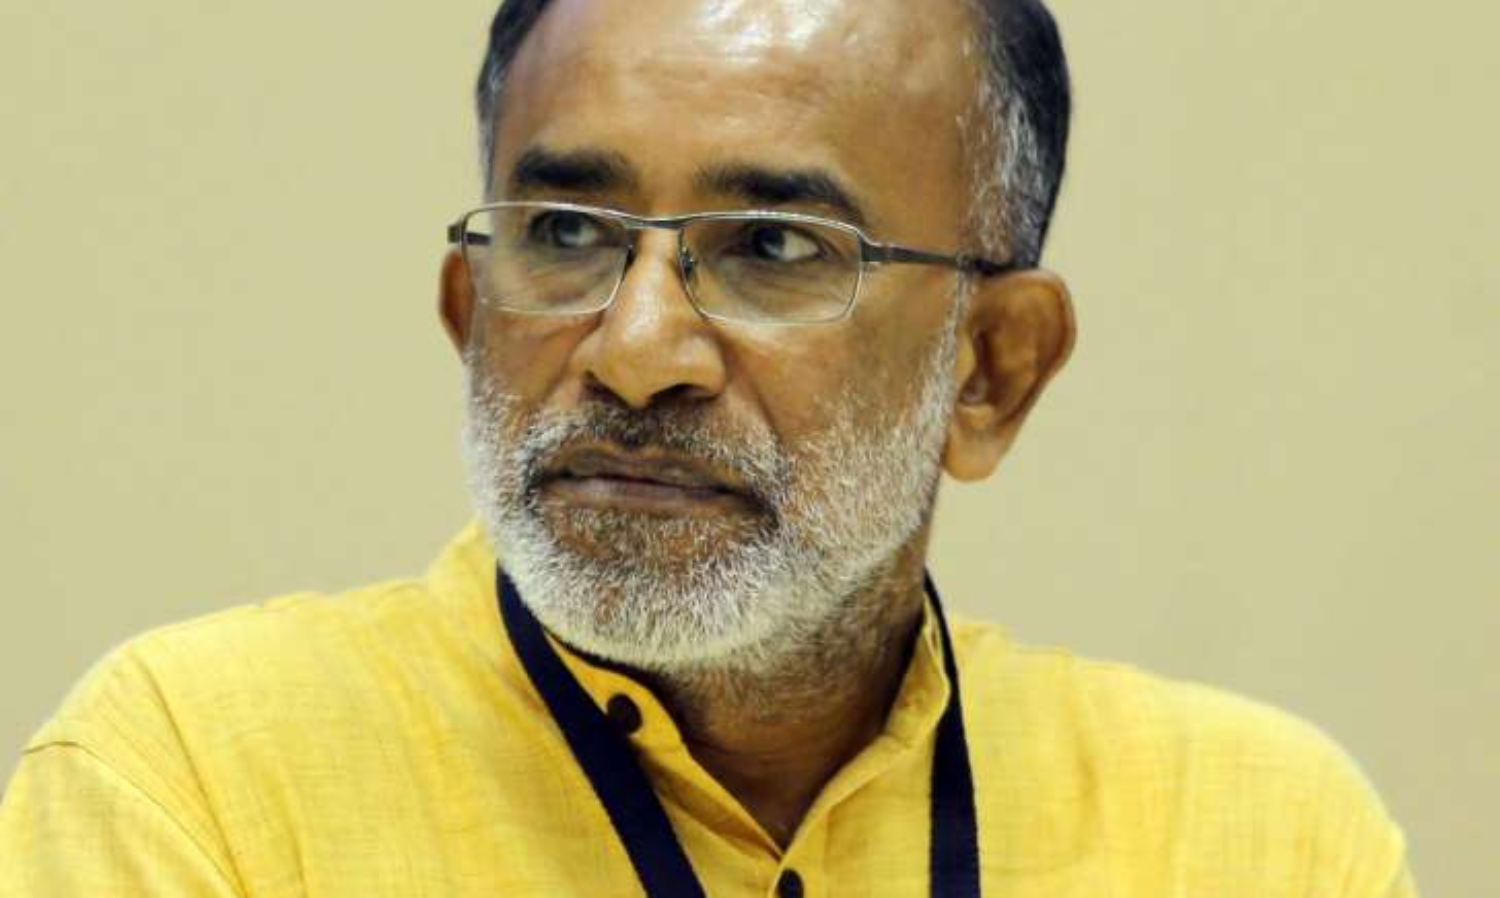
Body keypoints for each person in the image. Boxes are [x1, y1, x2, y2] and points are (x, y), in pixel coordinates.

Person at [0, 0, 1419, 895]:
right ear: (466, 311)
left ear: (991, 371)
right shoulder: (198, 780)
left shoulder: (1256, 837)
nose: (635, 350)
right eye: (566, 234)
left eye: (776, 248)